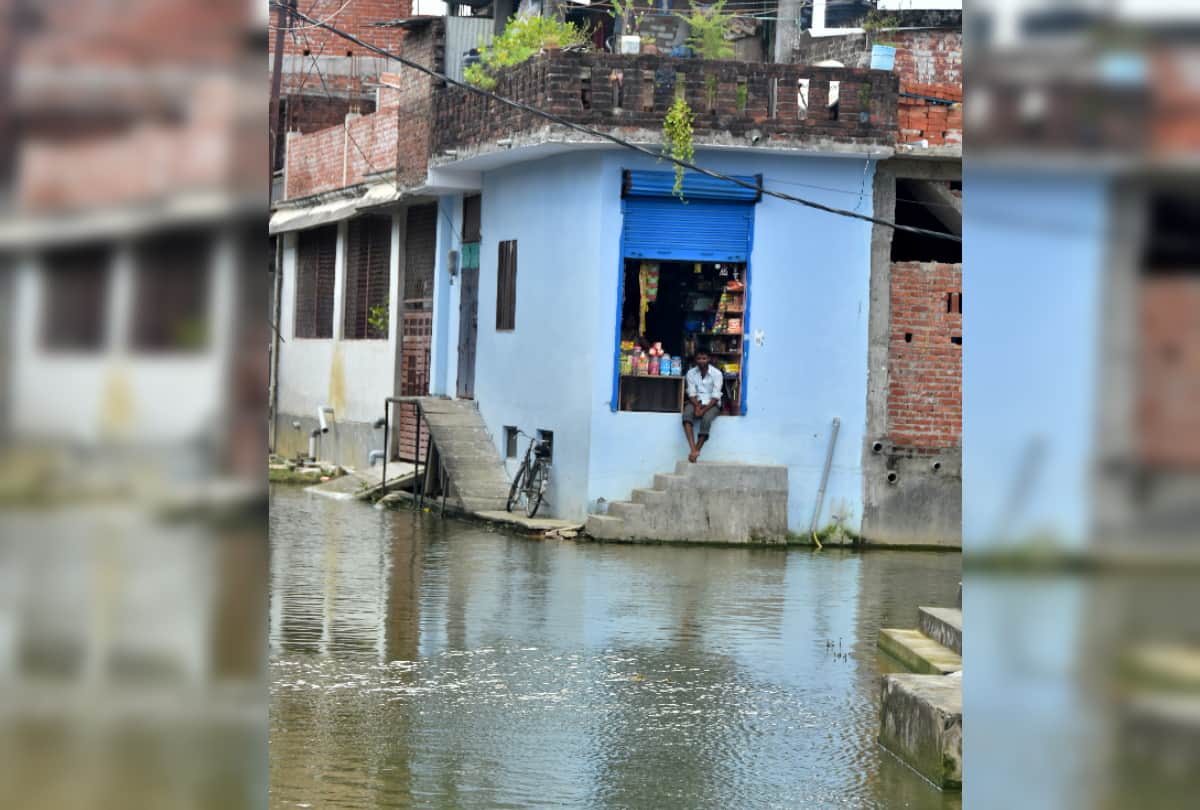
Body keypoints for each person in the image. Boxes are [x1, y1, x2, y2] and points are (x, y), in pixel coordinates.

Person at [682, 351, 723, 463]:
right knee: (686, 415)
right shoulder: (691, 373)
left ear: (709, 359)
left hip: (712, 404)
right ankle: (693, 449)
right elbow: (691, 393)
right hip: (696, 402)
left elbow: (715, 396)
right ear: (695, 360)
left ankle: (696, 451)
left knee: (706, 419)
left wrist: (703, 410)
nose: (701, 361)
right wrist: (697, 407)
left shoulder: (717, 374)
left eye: (704, 358)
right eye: (699, 358)